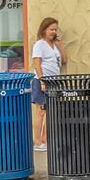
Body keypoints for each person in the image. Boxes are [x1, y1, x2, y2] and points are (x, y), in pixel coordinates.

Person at [29, 16, 62, 148]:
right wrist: (42, 81)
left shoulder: (54, 46)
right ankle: (38, 141)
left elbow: (63, 59)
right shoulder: (39, 44)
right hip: (41, 80)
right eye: (51, 29)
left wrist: (60, 46)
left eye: (55, 29)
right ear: (44, 30)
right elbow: (37, 63)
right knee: (41, 111)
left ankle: (45, 139)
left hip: (54, 81)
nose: (53, 32)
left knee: (51, 111)